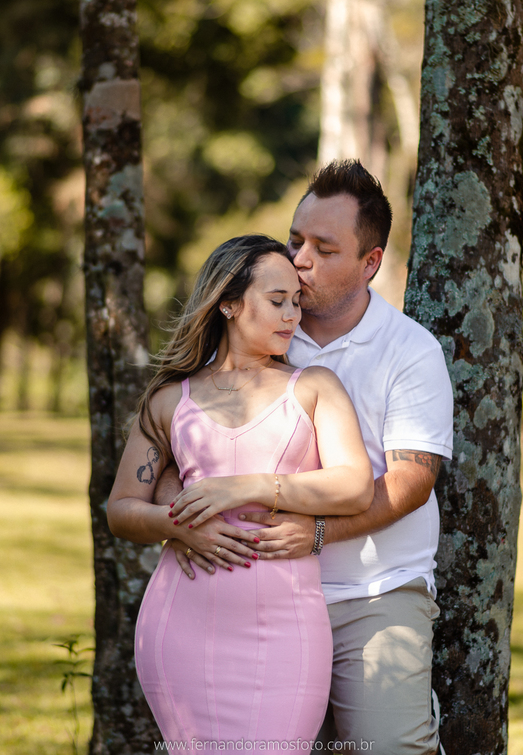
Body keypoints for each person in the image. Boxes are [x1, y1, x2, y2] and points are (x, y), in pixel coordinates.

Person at [159, 160, 454, 755]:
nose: (300, 259)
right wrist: (185, 523)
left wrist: (317, 533)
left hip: (370, 595)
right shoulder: (256, 328)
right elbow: (179, 451)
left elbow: (411, 482)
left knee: (389, 749)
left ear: (370, 264)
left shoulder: (409, 351)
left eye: (323, 247)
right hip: (251, 589)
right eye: (295, 240)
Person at [106, 234, 375, 754]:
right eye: (277, 301)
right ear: (228, 303)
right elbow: (121, 510)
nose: (292, 315)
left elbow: (355, 486)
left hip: (284, 634)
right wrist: (177, 525)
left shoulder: (315, 387)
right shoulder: (169, 401)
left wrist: (246, 487)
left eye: (296, 302)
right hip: (180, 626)